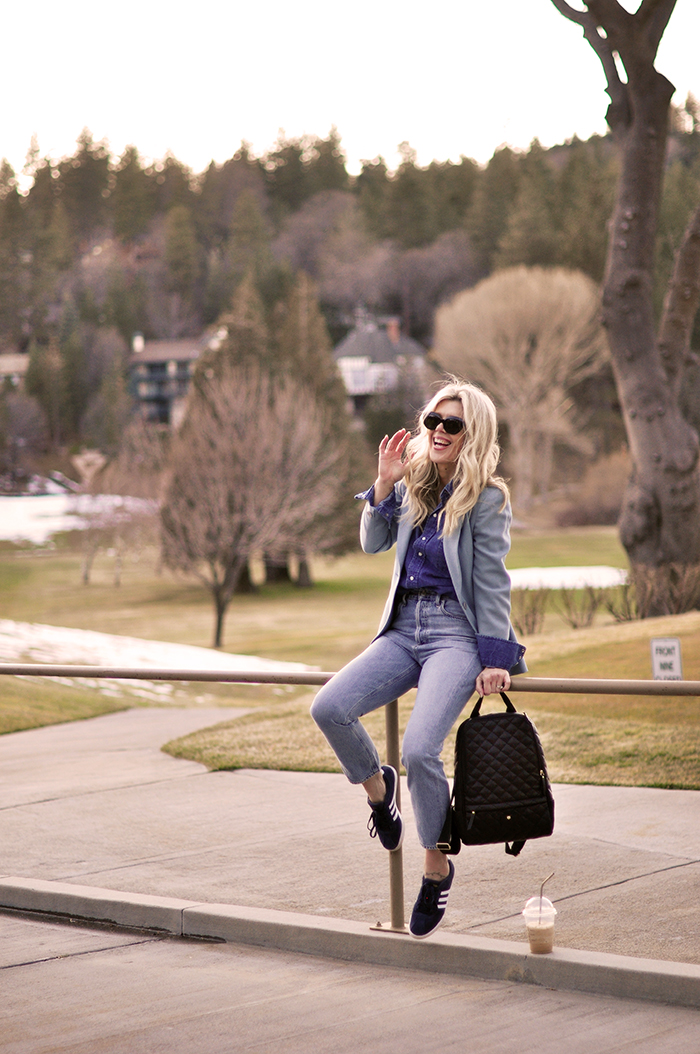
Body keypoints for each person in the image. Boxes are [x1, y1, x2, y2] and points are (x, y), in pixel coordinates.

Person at [311, 379, 526, 939]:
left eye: (451, 425)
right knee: (328, 707)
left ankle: (436, 864)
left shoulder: (488, 498)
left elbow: (492, 581)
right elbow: (372, 544)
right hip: (403, 630)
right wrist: (382, 486)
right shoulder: (415, 485)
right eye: (432, 421)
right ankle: (381, 793)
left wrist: (495, 655)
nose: (437, 432)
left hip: (455, 635)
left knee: (420, 749)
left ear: (471, 433)